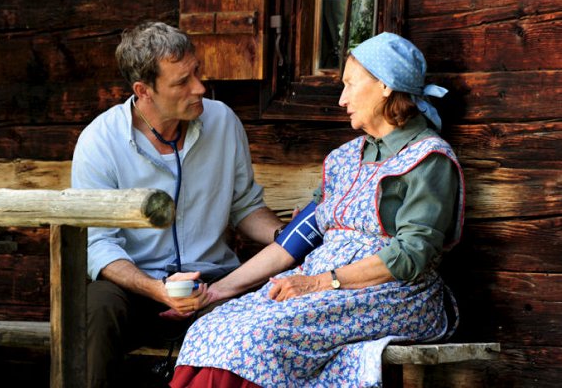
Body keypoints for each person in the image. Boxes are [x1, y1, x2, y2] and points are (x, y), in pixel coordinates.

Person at [170, 32, 465, 388]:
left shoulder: (427, 159)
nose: (342, 99)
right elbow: (296, 239)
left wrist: (321, 282)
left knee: (258, 339)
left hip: (393, 293)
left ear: (385, 86)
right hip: (321, 287)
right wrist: (218, 292)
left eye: (350, 85)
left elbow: (412, 255)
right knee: (212, 326)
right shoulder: (344, 158)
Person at [70, 21, 285, 388]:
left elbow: (245, 206)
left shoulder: (223, 122)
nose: (199, 87)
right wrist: (157, 290)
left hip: (213, 284)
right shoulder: (99, 142)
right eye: (182, 81)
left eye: (197, 72)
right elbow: (98, 245)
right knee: (96, 308)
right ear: (144, 91)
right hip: (137, 288)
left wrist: (286, 235)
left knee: (258, 315)